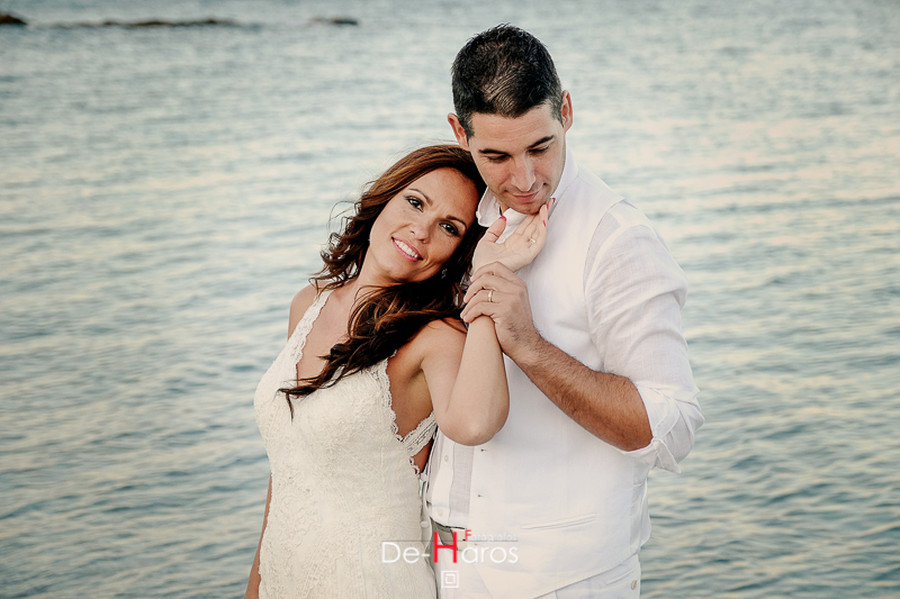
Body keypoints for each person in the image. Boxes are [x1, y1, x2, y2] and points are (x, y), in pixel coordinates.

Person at [425, 25, 704, 598]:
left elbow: (670, 426)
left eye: (541, 146)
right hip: (443, 566)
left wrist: (528, 344)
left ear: (567, 110)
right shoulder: (449, 218)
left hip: (564, 580)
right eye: (496, 156)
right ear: (460, 132)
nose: (523, 179)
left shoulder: (617, 240)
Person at [244, 144, 548, 598]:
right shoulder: (309, 303)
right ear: (384, 197)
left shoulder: (435, 339)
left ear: (456, 253)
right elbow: (287, 472)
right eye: (414, 202)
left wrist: (489, 273)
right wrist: (257, 586)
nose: (421, 231)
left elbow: (474, 422)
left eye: (449, 227)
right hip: (284, 579)